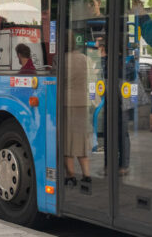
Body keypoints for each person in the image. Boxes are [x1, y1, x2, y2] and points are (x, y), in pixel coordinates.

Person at [64, 31, 92, 187]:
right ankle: (87, 175)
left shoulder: (60, 60)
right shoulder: (85, 59)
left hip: (66, 103)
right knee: (81, 140)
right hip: (83, 102)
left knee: (67, 142)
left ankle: (70, 175)